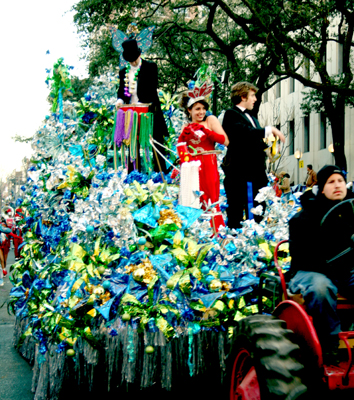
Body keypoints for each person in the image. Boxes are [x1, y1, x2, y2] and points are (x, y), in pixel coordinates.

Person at [288, 165, 354, 363]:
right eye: (331, 182)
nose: (337, 186)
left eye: (340, 181)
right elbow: (303, 255)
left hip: (345, 270)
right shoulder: (303, 218)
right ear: (322, 188)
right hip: (310, 270)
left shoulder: (351, 211)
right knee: (321, 287)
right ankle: (330, 342)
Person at [222, 82, 285, 229]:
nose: (255, 99)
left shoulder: (253, 118)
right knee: (236, 212)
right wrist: (270, 129)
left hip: (257, 174)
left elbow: (254, 140)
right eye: (252, 96)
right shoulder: (231, 114)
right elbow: (243, 133)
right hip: (239, 174)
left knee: (259, 210)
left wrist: (271, 148)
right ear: (243, 97)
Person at [178, 91, 229, 231]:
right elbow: (182, 151)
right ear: (189, 110)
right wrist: (182, 138)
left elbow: (225, 141)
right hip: (192, 168)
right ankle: (197, 232)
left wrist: (206, 131)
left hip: (209, 165)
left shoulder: (210, 120)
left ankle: (216, 231)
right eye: (197, 109)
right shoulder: (186, 127)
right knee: (193, 198)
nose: (201, 112)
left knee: (211, 198)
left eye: (203, 108)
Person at [116, 39, 168, 173]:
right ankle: (133, 173)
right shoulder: (123, 72)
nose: (134, 62)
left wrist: (142, 103)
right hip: (132, 112)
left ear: (139, 55)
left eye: (135, 59)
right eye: (131, 60)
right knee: (133, 141)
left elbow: (152, 88)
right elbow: (121, 91)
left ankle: (160, 172)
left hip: (150, 111)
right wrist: (120, 100)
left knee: (156, 141)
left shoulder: (150, 66)